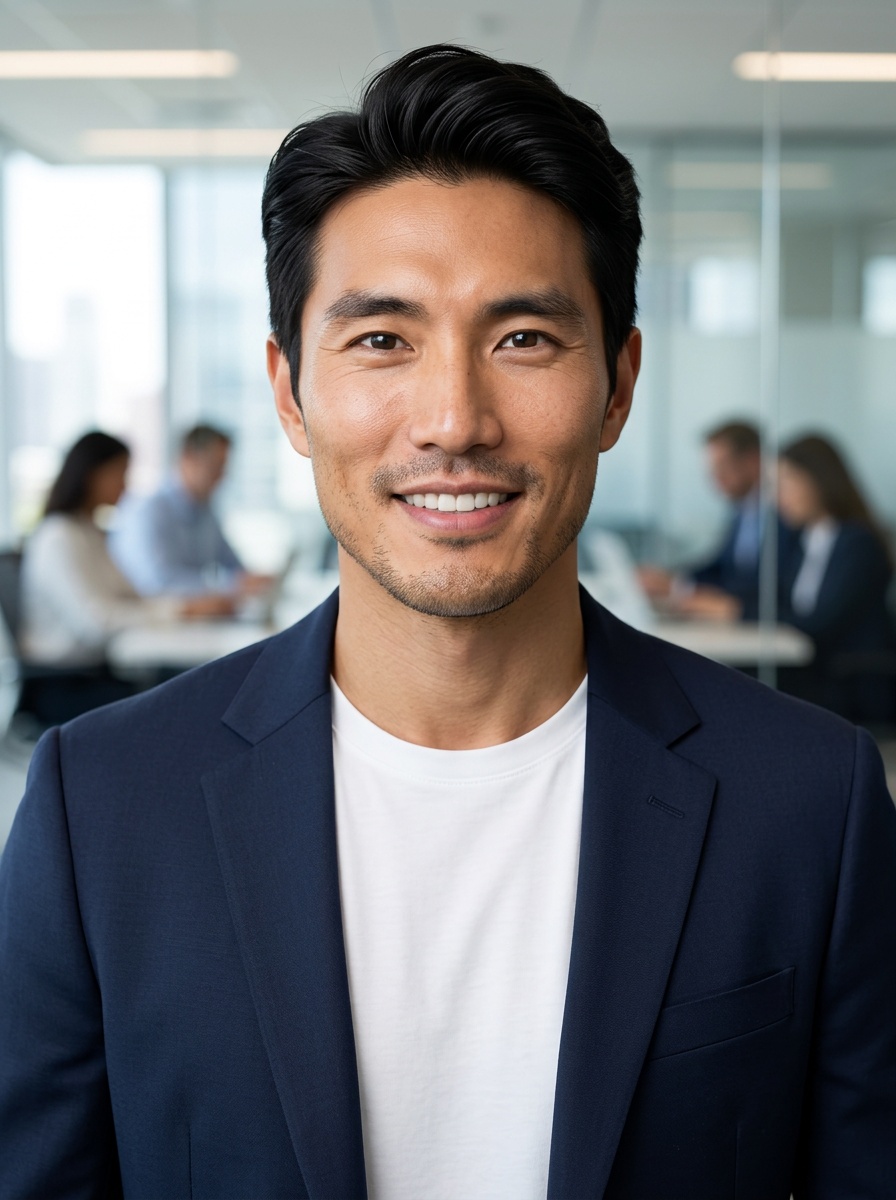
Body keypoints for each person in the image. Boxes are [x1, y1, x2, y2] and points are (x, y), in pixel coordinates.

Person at [0, 45, 893, 1200]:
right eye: (381, 339)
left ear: (617, 386)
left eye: (523, 338)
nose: (454, 419)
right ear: (289, 393)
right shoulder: (104, 806)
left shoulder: (808, 803)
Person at [18, 432, 204, 725]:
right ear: (92, 474)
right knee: (184, 699)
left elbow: (132, 597)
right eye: (120, 474)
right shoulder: (59, 536)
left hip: (97, 673)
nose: (125, 486)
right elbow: (97, 623)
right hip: (64, 685)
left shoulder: (89, 532)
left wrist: (186, 607)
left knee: (193, 683)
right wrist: (179, 610)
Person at [775, 433, 895, 724]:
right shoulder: (807, 539)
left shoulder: (858, 543)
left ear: (818, 481)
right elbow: (780, 598)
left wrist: (737, 612)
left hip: (849, 681)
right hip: (817, 672)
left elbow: (821, 623)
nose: (778, 496)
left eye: (786, 483)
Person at [639, 420, 793, 618]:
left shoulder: (786, 510)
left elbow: (772, 586)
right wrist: (675, 581)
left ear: (753, 460)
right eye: (712, 469)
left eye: (722, 467)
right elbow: (722, 566)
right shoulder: (743, 509)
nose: (715, 478)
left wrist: (691, 593)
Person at [110, 422, 270, 599]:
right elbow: (159, 584)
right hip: (150, 614)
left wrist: (254, 581)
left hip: (192, 614)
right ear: (187, 459)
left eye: (223, 468)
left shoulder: (206, 513)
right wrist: (232, 586)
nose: (221, 477)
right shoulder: (148, 512)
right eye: (215, 467)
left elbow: (233, 566)